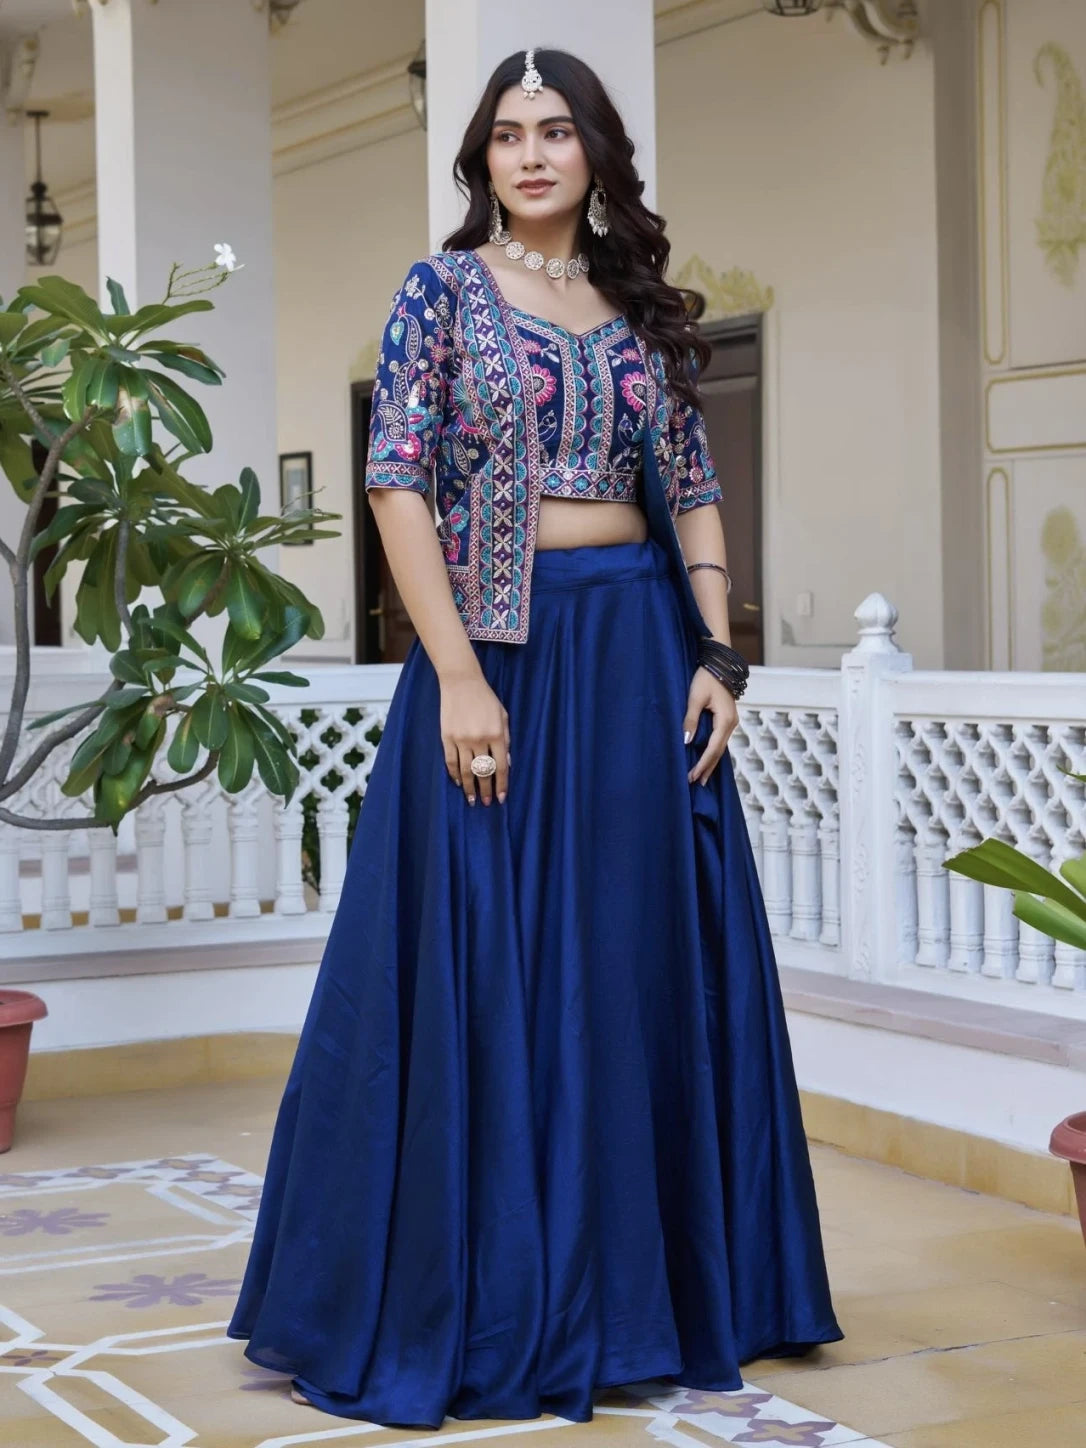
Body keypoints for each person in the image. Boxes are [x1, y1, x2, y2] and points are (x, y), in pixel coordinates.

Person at [228, 46, 842, 1429]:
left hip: (637, 657)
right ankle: (493, 1299)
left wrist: (717, 654)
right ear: (482, 160)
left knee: (632, 962)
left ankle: (658, 1300)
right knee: (488, 966)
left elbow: (691, 487)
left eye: (556, 131)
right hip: (499, 654)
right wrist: (455, 673)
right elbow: (395, 482)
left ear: (594, 150)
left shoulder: (637, 307)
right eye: (507, 135)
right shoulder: (440, 295)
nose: (531, 154)